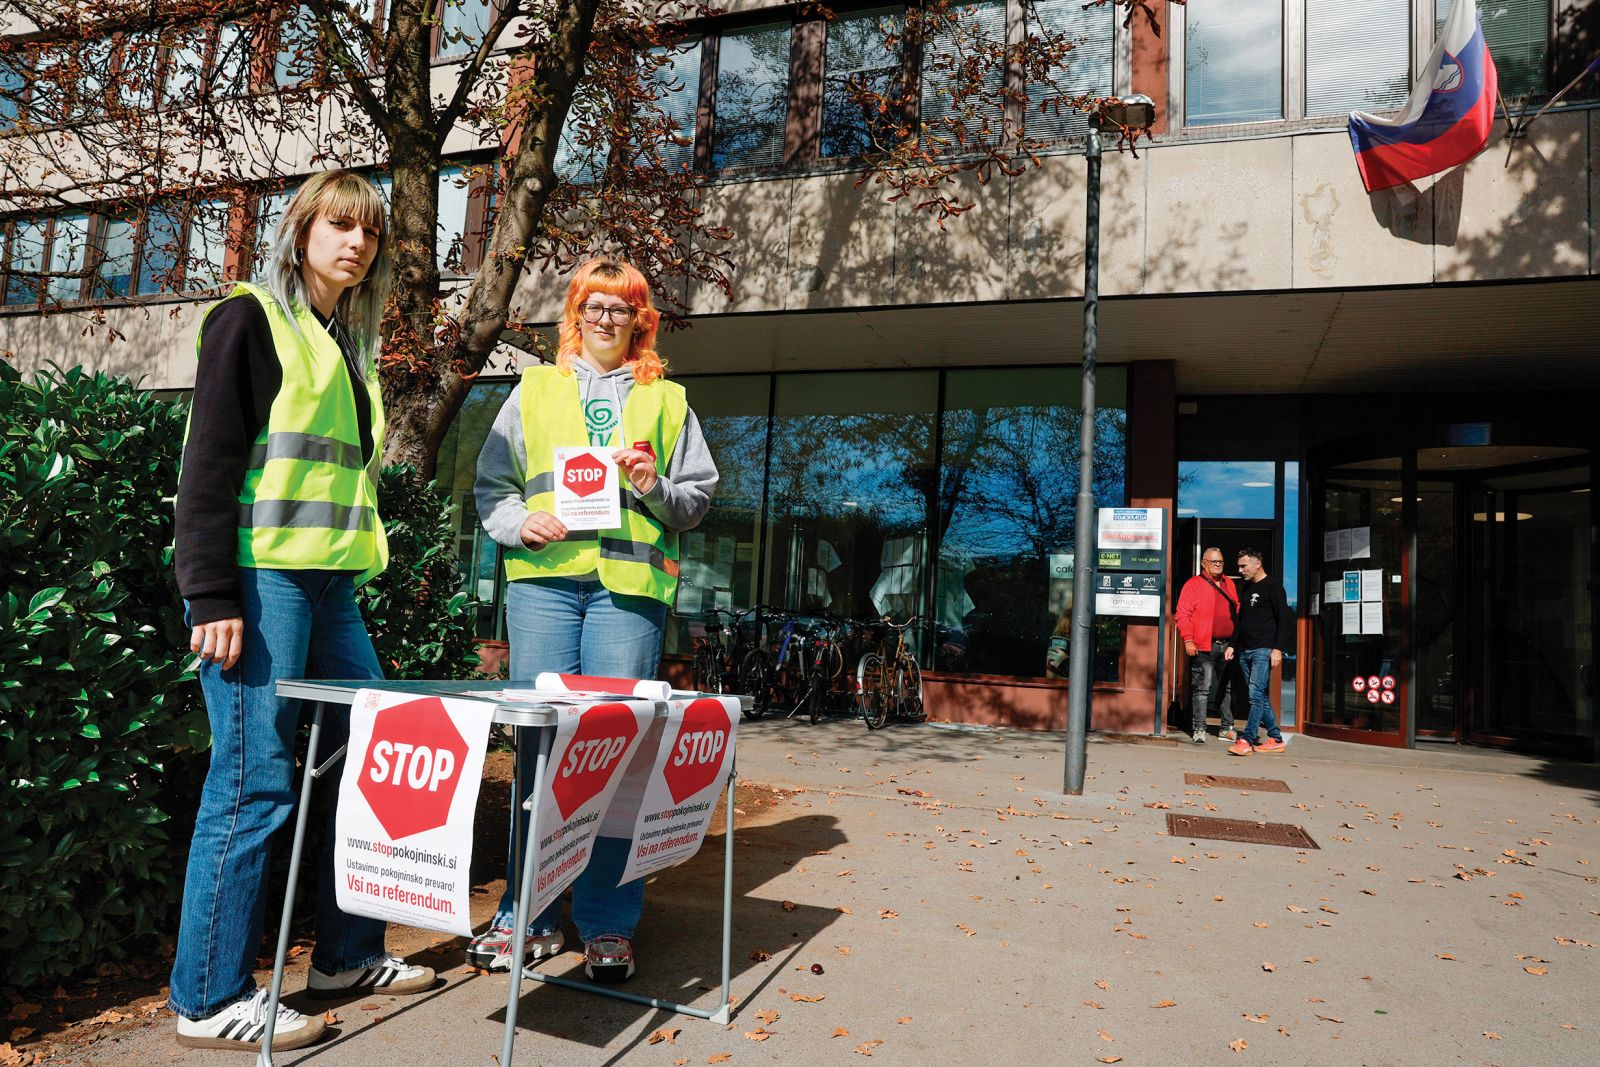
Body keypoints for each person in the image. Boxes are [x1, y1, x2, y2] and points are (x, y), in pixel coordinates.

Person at [169, 171, 435, 1052]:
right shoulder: (252, 317)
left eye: (368, 233)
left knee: (372, 760)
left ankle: (347, 955)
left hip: (330, 584)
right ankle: (208, 998)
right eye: (338, 225)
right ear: (302, 230)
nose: (355, 243)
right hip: (261, 578)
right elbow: (207, 464)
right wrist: (210, 592)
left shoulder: (340, 338)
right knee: (253, 778)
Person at [472, 258, 718, 982]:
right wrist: (522, 523)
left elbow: (696, 502)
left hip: (628, 593)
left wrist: (652, 484)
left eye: (624, 309)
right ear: (575, 313)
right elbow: (494, 486)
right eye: (595, 306)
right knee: (539, 752)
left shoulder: (669, 400)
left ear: (642, 321)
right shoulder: (534, 388)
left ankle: (608, 921)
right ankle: (530, 910)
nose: (608, 319)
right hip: (545, 585)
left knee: (613, 756)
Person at [1225, 548, 1292, 755]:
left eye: (1244, 566)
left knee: (1255, 696)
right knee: (1259, 696)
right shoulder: (1246, 588)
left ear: (1257, 564)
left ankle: (1247, 739)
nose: (1240, 570)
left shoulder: (1273, 587)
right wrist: (1232, 645)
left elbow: (1284, 620)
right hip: (1245, 650)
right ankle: (1275, 737)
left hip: (1263, 649)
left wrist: (1278, 649)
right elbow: (1240, 621)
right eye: (1239, 566)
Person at [1174, 547, 1241, 743]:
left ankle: (1226, 728)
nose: (1218, 565)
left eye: (1220, 561)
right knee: (1202, 689)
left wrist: (1236, 642)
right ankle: (1200, 729)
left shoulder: (1229, 583)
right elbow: (1182, 614)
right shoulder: (1193, 584)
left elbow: (1236, 609)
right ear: (1204, 563)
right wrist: (1188, 639)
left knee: (1227, 688)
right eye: (1214, 562)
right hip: (1203, 645)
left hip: (1227, 645)